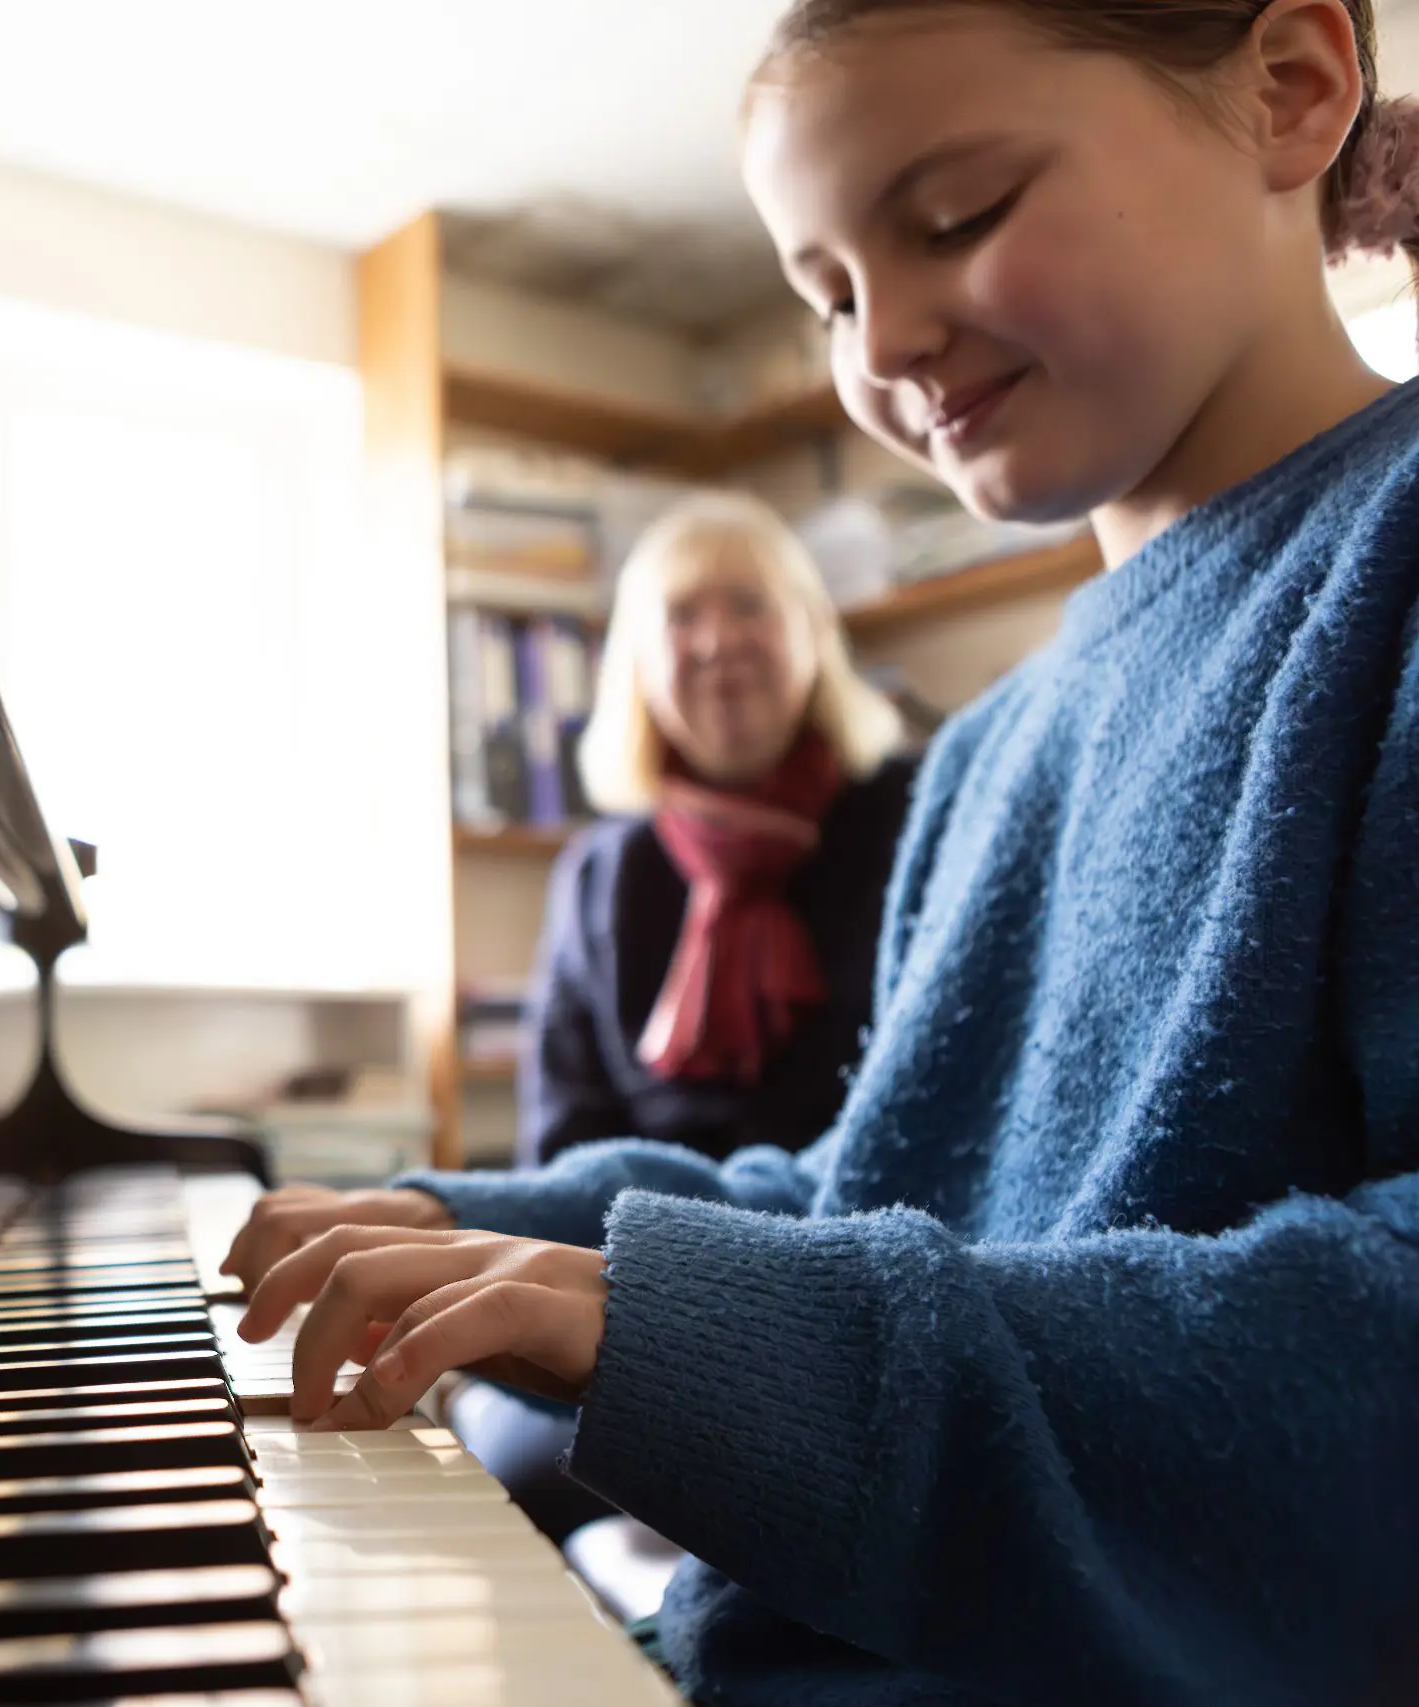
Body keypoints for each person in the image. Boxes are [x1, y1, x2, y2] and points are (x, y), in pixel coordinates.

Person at [225, 3, 1419, 1704]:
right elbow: (867, 1190)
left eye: (958, 218)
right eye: (831, 294)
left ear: (1292, 90)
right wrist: (453, 1216)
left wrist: (727, 1340)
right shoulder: (988, 747)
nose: (889, 341)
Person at [456, 492, 912, 1539]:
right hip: (637, 1300)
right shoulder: (597, 875)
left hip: (849, 1309)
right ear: (636, 666)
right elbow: (559, 1149)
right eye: (679, 617)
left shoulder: (913, 818)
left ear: (810, 635)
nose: (715, 644)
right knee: (495, 1470)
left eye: (749, 606)